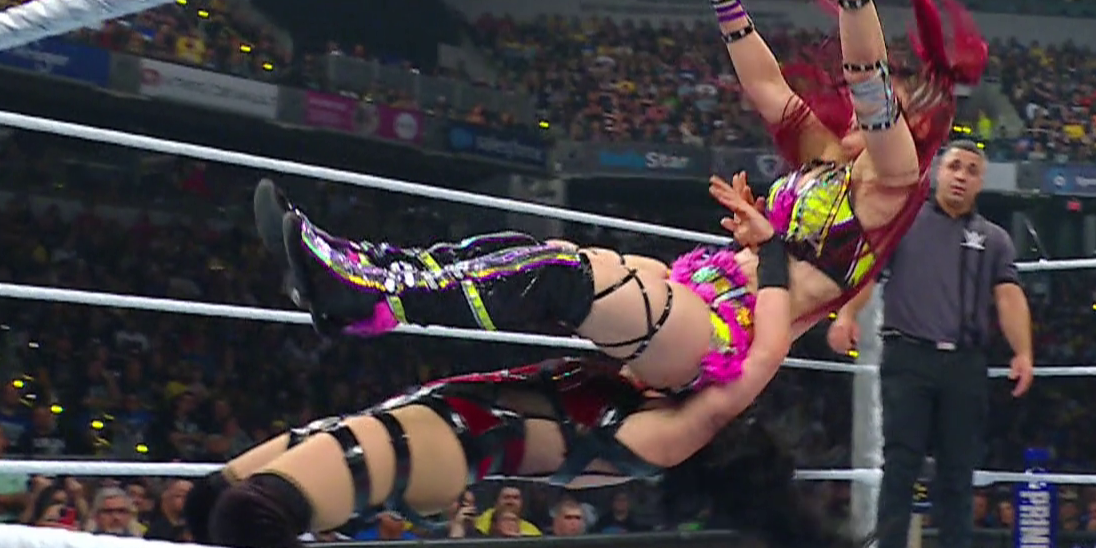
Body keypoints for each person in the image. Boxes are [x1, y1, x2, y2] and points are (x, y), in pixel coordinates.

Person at [187, 181, 856, 548]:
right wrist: (749, 253)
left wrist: (775, 256)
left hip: (450, 440)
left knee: (249, 514)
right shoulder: (645, 383)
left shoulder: (672, 432)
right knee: (210, 500)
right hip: (439, 408)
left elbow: (761, 356)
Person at [678, 0, 988, 329]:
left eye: (882, 112)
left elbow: (866, 77)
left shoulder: (892, 178)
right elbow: (766, 87)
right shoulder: (826, 156)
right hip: (717, 285)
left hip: (736, 331)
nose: (855, 113)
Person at [260, 176, 766, 395]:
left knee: (558, 275)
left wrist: (773, 247)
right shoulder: (800, 198)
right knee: (529, 249)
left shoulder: (811, 250)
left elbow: (805, 315)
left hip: (717, 334)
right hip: (696, 293)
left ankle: (371, 296)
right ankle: (363, 269)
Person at [828, 141, 1032, 548]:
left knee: (958, 474)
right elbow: (868, 271)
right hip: (909, 358)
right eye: (955, 166)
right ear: (939, 171)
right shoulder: (904, 223)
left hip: (965, 363)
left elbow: (1008, 296)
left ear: (981, 182)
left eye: (972, 170)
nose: (961, 175)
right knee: (899, 470)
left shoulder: (995, 239)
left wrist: (1023, 351)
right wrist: (846, 315)